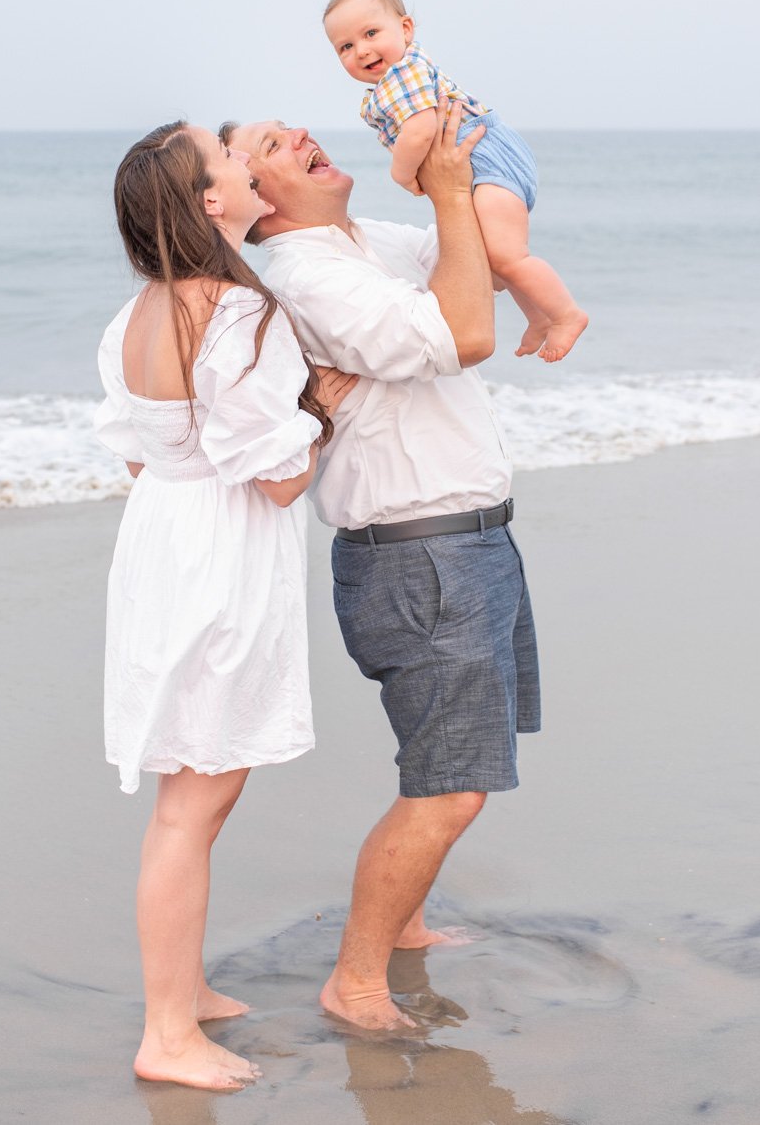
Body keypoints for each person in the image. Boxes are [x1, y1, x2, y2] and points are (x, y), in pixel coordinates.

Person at [219, 104, 541, 1031]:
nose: (300, 140)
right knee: (449, 784)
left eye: (292, 129)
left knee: (449, 760)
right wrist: (443, 204)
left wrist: (444, 163)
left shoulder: (364, 239)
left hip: (465, 540)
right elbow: (465, 333)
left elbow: (478, 254)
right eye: (268, 148)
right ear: (252, 198)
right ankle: (354, 979)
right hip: (423, 555)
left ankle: (401, 929)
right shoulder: (310, 275)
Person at [94, 123, 355, 1090]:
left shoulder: (135, 315)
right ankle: (166, 1033)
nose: (247, 164)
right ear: (212, 203)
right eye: (228, 159)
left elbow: (135, 447)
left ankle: (183, 988)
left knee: (204, 785)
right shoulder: (239, 314)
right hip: (218, 554)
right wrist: (321, 403)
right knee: (191, 799)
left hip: (163, 538)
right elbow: (281, 481)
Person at [323, 0, 587, 362]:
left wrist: (402, 173)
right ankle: (538, 316)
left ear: (406, 28)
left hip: (484, 156)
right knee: (494, 256)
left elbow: (420, 128)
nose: (361, 50)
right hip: (485, 156)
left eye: (370, 33)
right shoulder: (394, 79)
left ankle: (567, 314)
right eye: (346, 46)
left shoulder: (401, 74)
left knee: (508, 256)